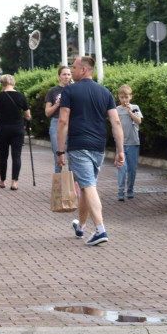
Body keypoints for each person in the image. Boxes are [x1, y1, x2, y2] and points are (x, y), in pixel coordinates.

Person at [56, 56, 124, 246]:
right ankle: (81, 226)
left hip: (79, 146)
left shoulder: (70, 91)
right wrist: (120, 150)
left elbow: (62, 121)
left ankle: (100, 230)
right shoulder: (105, 92)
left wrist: (60, 152)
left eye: (74, 67)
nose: (72, 71)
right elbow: (116, 122)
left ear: (84, 70)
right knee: (87, 185)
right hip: (98, 147)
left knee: (89, 186)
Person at [0, 74, 31, 190]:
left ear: (2, 84)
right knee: (16, 156)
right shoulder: (21, 96)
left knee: (3, 156)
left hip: (3, 129)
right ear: (13, 83)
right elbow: (27, 115)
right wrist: (28, 125)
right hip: (17, 129)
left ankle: (2, 181)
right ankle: (14, 182)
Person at [115, 84, 143, 201]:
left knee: (132, 168)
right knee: (122, 167)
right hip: (121, 144)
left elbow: (138, 121)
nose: (124, 99)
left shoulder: (135, 107)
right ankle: (121, 190)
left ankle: (130, 189)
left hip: (133, 143)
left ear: (130, 97)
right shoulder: (116, 110)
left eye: (126, 97)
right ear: (119, 97)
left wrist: (130, 112)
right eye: (122, 97)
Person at [44, 65, 72, 173]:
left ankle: (72, 186)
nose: (66, 77)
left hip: (71, 123)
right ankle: (59, 186)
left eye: (69, 74)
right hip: (56, 122)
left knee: (73, 157)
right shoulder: (53, 91)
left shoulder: (73, 89)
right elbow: (47, 112)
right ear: (59, 77)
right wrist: (56, 105)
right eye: (64, 74)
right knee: (58, 157)